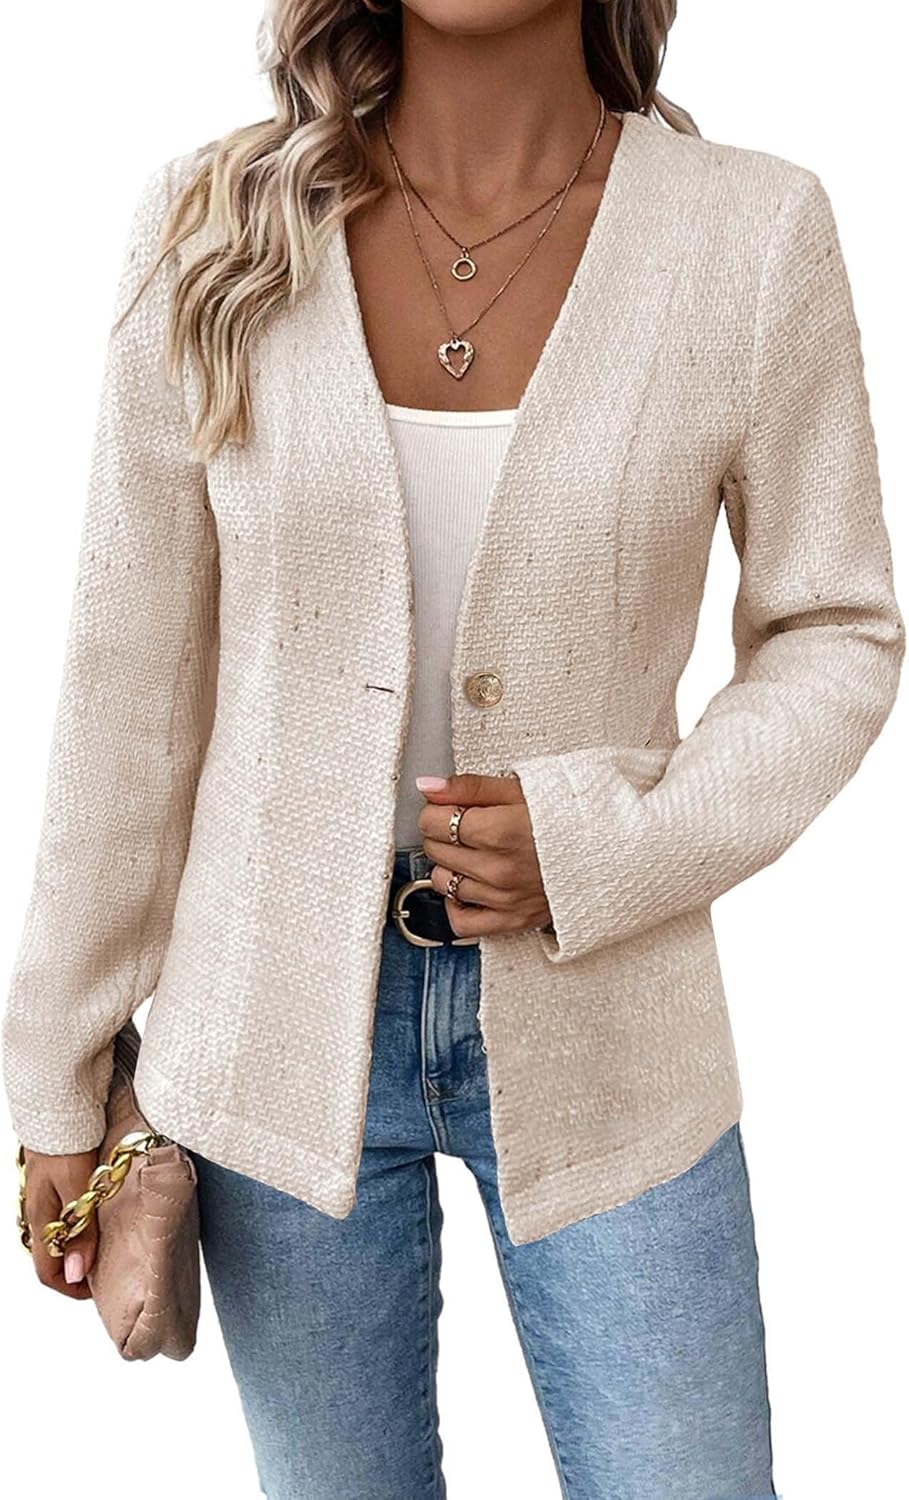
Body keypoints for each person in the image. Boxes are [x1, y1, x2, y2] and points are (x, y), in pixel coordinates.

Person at [4, 2, 903, 1496]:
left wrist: (607, 844)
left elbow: (837, 629)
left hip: (613, 1029)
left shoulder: (749, 234)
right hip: (269, 1030)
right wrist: (55, 1071)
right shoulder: (211, 222)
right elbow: (128, 686)